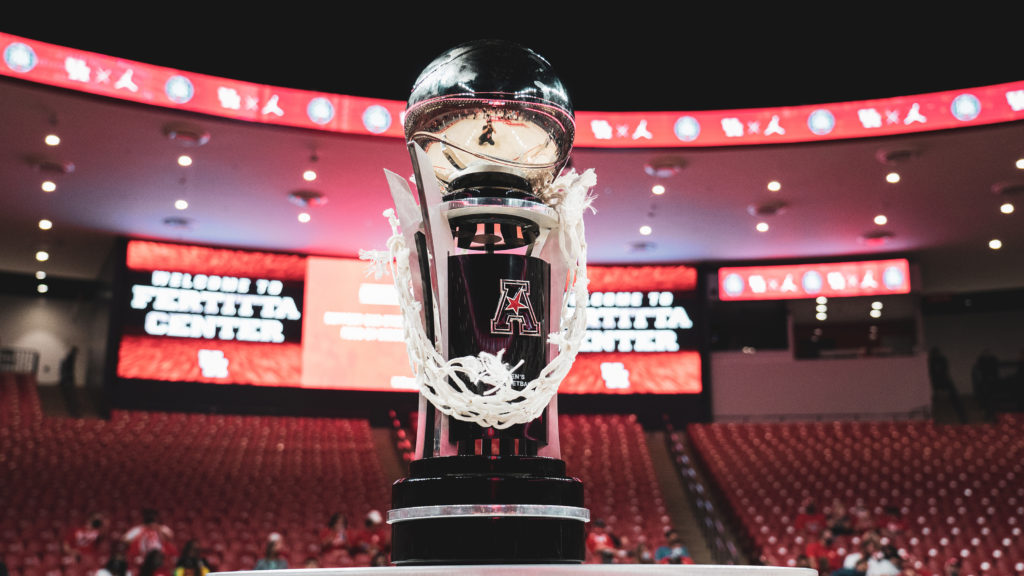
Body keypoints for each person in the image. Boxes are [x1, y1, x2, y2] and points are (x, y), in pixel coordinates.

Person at [59, 345, 80, 417]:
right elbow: (68, 368)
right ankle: (73, 411)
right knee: (70, 393)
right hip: (68, 378)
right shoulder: (70, 357)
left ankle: (74, 410)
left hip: (68, 377)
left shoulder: (69, 357)